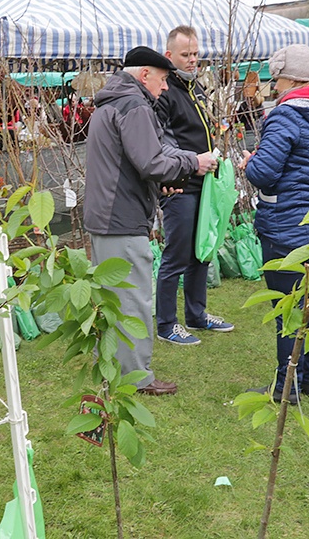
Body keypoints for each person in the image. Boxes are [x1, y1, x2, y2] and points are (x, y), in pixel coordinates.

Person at [84, 45, 215, 396]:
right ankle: (137, 378)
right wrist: (193, 164)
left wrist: (164, 184)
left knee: (111, 300)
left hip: (105, 218)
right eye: (162, 79)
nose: (166, 87)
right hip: (122, 220)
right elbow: (151, 162)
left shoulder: (111, 102)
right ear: (145, 75)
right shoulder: (135, 105)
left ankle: (111, 367)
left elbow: (129, 164)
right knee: (133, 301)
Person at [240, 44, 309, 402]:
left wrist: (249, 162)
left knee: (288, 307)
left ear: (287, 77)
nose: (273, 84)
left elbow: (265, 173)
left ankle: (287, 386)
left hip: (287, 224)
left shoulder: (287, 115)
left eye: (276, 77)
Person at [153, 25, 234, 347]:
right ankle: (166, 324)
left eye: (196, 53)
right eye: (186, 55)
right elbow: (160, 142)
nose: (192, 60)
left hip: (205, 183)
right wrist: (191, 160)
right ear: (169, 56)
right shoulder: (165, 92)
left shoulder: (195, 88)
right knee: (177, 254)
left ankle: (197, 315)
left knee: (203, 251)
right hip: (178, 184)